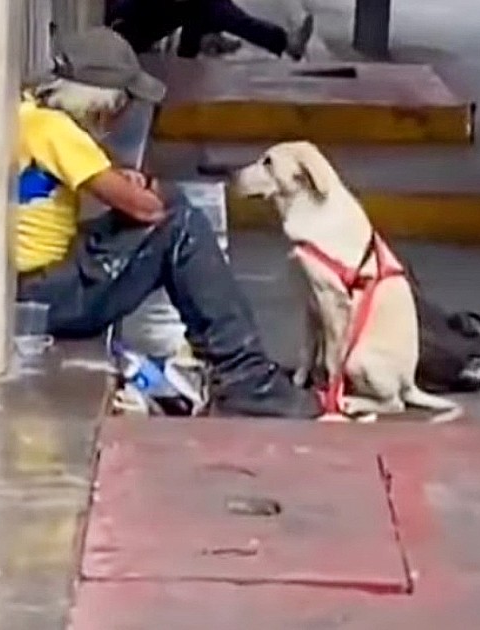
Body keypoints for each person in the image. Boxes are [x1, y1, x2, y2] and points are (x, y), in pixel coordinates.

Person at [17, 27, 321, 419]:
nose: (118, 117)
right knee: (180, 225)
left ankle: (243, 369)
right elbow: (145, 209)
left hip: (31, 285)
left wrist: (129, 182)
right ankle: (246, 379)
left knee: (171, 209)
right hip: (45, 297)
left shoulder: (29, 116)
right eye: (118, 105)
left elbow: (96, 180)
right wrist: (155, 191)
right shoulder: (56, 131)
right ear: (96, 102)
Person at [107, 0, 315, 61]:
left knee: (202, 6)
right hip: (123, 27)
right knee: (204, 5)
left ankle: (200, 42)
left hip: (129, 21)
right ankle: (285, 43)